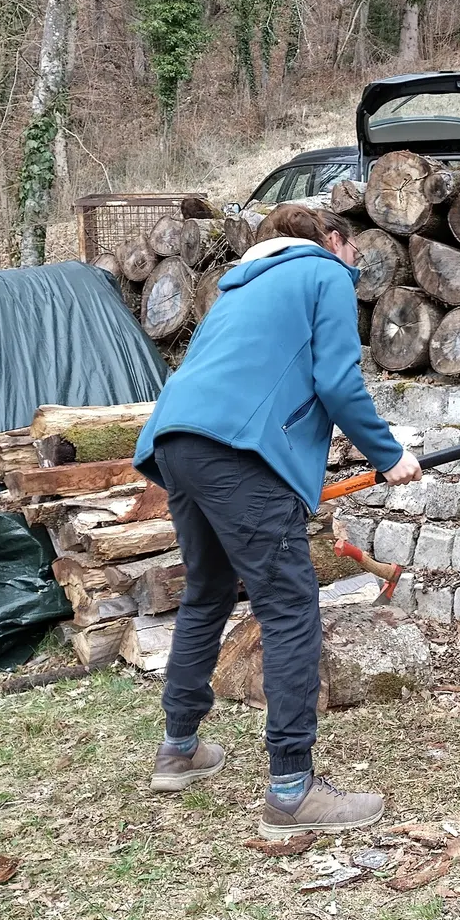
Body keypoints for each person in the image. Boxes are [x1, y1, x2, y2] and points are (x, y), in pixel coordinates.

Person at [133, 202, 423, 838]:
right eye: (351, 252)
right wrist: (390, 454)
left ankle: (178, 749)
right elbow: (338, 382)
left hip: (178, 442)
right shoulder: (324, 275)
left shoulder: (238, 289)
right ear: (332, 240)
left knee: (207, 593)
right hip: (236, 452)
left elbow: (250, 381)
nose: (352, 266)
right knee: (290, 608)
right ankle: (292, 790)